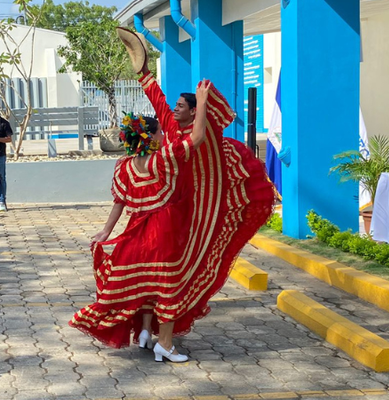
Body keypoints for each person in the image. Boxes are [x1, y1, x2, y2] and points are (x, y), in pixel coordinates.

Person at [69, 29, 274, 361]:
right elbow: (161, 104)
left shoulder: (174, 144)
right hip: (169, 219)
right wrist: (145, 74)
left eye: (182, 106)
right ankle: (159, 339)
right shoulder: (170, 147)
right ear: (151, 137)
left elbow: (193, 133)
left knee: (154, 277)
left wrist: (145, 73)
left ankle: (149, 333)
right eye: (175, 107)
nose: (173, 111)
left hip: (176, 213)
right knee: (168, 279)